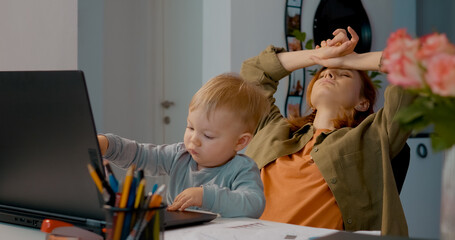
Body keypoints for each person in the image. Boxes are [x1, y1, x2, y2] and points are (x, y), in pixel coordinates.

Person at [240, 27, 415, 236]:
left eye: (344, 73)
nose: (330, 72)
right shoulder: (272, 128)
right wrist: (320, 57)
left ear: (362, 102)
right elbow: (254, 73)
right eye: (323, 72)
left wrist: (351, 60)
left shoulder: (374, 136)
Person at [97, 73, 269, 218]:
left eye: (208, 136)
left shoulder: (242, 169)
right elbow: (141, 155)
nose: (193, 140)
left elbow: (254, 204)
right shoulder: (180, 155)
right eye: (190, 127)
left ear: (240, 142)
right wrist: (109, 145)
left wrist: (206, 196)